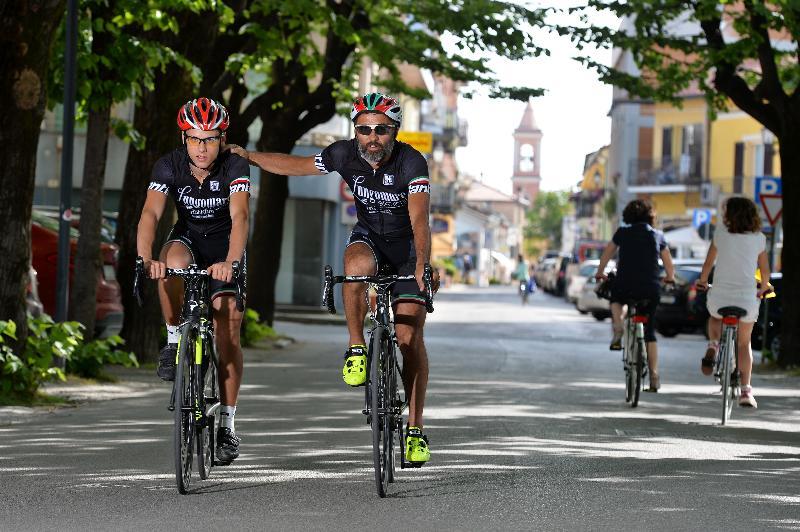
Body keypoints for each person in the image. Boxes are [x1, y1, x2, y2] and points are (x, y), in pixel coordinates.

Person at [227, 92, 438, 465]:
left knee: (408, 337)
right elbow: (297, 165)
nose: (372, 137)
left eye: (382, 130)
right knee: (354, 267)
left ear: (395, 131)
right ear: (355, 132)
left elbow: (420, 219)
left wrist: (422, 263)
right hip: (370, 239)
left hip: (407, 248)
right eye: (364, 129)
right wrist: (251, 157)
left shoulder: (411, 162)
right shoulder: (344, 154)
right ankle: (357, 347)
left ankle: (415, 428)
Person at [136, 97, 250, 463]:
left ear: (222, 138)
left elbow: (241, 215)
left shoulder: (234, 166)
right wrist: (145, 259)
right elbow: (151, 214)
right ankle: (173, 338)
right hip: (188, 238)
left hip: (224, 247)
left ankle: (228, 426)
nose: (203, 147)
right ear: (184, 138)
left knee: (227, 326)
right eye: (196, 139)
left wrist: (231, 262)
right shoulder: (169, 165)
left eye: (211, 139)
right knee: (170, 264)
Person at [696, 197, 771, 408]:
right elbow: (764, 271)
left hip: (720, 295)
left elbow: (708, 263)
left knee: (715, 317)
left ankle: (713, 344)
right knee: (744, 343)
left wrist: (703, 281)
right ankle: (746, 391)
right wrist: (764, 286)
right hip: (746, 298)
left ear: (728, 215)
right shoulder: (758, 239)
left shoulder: (720, 234)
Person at [595, 199, 675, 392]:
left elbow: (607, 253)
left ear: (628, 216)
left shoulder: (622, 233)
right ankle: (654, 376)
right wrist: (670, 277)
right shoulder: (658, 235)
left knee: (616, 299)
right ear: (650, 216)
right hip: (650, 287)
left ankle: (618, 326)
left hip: (625, 284)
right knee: (650, 333)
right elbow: (667, 261)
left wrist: (600, 271)